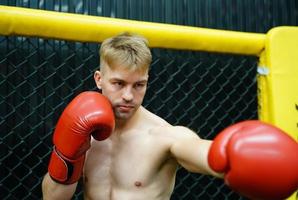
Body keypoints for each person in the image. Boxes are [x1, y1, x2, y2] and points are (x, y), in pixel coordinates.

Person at [42, 32, 298, 200]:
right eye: (119, 83)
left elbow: (202, 152)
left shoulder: (164, 137)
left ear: (147, 81)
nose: (129, 96)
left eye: (138, 85)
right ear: (99, 79)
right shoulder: (83, 131)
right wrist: (67, 154)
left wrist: (232, 156)